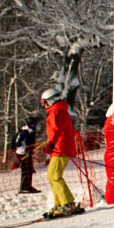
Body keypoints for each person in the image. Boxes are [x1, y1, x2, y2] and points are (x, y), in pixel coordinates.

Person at [40, 88, 84, 218]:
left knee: (54, 175)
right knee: (52, 175)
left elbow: (55, 130)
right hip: (62, 147)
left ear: (50, 100)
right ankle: (60, 203)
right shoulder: (60, 111)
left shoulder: (55, 112)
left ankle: (67, 203)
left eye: (44, 102)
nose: (44, 105)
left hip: (61, 148)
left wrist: (50, 144)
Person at [14, 117, 41, 194]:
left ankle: (28, 186)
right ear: (30, 124)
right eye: (34, 124)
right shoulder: (25, 132)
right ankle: (24, 188)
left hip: (26, 153)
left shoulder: (30, 131)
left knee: (29, 170)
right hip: (23, 154)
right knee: (26, 171)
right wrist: (25, 149)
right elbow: (18, 143)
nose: (35, 125)